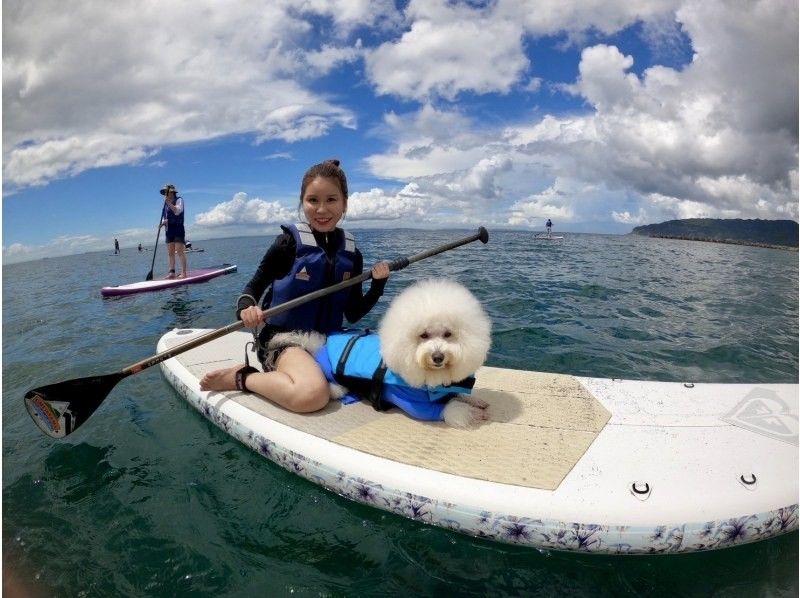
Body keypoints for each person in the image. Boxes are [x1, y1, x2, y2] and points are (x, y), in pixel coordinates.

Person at [200, 159, 391, 413]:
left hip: (326, 340)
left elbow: (353, 312)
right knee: (312, 394)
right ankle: (242, 377)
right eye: (313, 200)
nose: (321, 209)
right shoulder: (287, 244)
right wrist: (247, 309)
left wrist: (378, 286)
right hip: (282, 340)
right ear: (302, 202)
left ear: (345, 203)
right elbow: (252, 288)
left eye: (331, 200)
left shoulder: (352, 254)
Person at [159, 183, 187, 279]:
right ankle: (172, 272)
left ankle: (184, 273)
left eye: (168, 192)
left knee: (179, 251)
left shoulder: (179, 200)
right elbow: (165, 216)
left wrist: (169, 203)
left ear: (172, 192)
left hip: (178, 227)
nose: (166, 195)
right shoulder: (165, 205)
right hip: (169, 230)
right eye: (165, 193)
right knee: (170, 252)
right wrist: (163, 222)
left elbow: (177, 211)